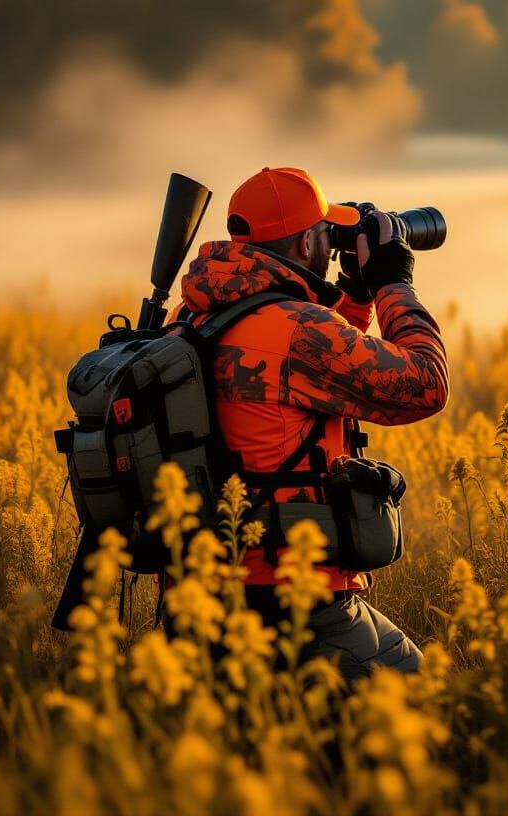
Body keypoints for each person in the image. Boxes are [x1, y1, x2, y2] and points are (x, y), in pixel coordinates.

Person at [172, 165, 448, 679]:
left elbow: (310, 363)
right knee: (430, 707)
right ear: (304, 246)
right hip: (293, 595)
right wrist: (393, 283)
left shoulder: (188, 318)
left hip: (199, 595)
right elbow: (424, 385)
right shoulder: (301, 332)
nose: (330, 242)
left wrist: (354, 294)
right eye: (326, 233)